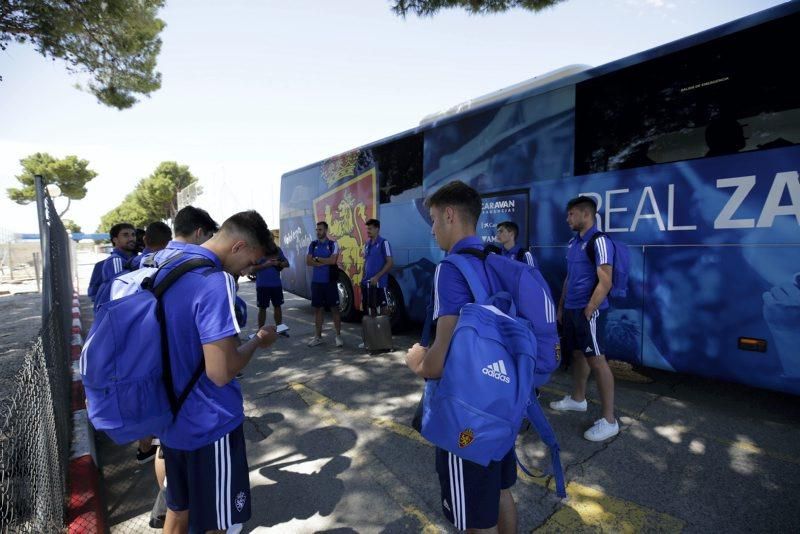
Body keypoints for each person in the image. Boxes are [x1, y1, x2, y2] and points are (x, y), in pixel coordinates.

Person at [405, 180, 518, 533]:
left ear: (451, 215)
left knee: (471, 521)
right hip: (501, 406)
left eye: (435, 220)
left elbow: (438, 361)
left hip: (464, 415)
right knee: (500, 493)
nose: (434, 229)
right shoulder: (495, 260)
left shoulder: (450, 269)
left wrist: (415, 361)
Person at [158, 210, 279, 534]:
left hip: (171, 417)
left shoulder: (166, 262)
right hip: (210, 423)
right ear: (238, 246)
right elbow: (221, 372)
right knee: (218, 523)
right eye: (251, 262)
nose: (249, 271)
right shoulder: (216, 281)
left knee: (178, 512)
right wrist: (257, 341)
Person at [148, 205, 219, 529]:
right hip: (190, 395)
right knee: (202, 500)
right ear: (201, 233)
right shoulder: (200, 272)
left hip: (149, 383)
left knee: (164, 452)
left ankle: (166, 497)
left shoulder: (145, 264)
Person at [551, 195, 619, 442]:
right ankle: (578, 399)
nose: (568, 218)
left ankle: (609, 421)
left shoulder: (599, 241)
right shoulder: (574, 242)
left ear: (585, 214)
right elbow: (570, 278)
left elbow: (606, 280)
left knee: (598, 361)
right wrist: (561, 306)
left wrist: (590, 309)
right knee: (579, 354)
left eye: (571, 214)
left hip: (588, 311)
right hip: (571, 309)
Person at [306, 221, 343, 347]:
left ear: (326, 230)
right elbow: (308, 261)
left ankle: (338, 336)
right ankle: (318, 337)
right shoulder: (313, 244)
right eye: (317, 229)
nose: (318, 232)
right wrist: (324, 261)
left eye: (320, 230)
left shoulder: (333, 244)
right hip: (316, 282)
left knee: (335, 310)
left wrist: (319, 259)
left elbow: (333, 260)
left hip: (329, 282)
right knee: (318, 310)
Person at [90, 223, 138, 310]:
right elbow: (120, 293)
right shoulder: (116, 260)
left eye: (133, 235)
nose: (131, 238)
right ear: (115, 240)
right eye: (125, 235)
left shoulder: (135, 260)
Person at [250, 246, 289, 330]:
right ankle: (260, 331)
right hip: (262, 286)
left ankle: (280, 329)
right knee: (262, 308)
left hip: (276, 285)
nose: (270, 242)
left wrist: (278, 263)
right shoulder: (257, 250)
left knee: (278, 306)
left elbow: (287, 264)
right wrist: (265, 265)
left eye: (271, 240)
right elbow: (251, 269)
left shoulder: (277, 250)